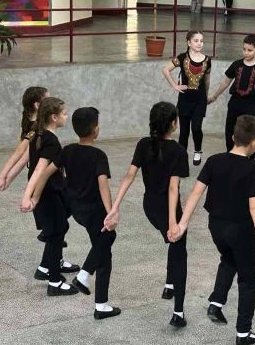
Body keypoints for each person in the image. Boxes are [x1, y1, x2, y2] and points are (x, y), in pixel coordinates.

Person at [172, 115, 255, 345]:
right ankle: (243, 332)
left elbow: (196, 193)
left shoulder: (214, 161)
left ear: (233, 137)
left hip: (216, 226)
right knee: (248, 279)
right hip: (240, 230)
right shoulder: (252, 169)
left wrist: (183, 223)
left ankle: (216, 303)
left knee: (228, 259)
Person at [28, 107, 122, 318]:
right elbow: (103, 185)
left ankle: (86, 279)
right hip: (94, 211)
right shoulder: (98, 155)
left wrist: (35, 197)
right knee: (104, 253)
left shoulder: (67, 150)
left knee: (106, 240)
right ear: (95, 130)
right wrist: (111, 212)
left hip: (76, 209)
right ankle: (98, 300)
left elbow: (44, 174)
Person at [104, 102, 189, 327]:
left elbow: (129, 176)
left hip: (149, 206)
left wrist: (115, 206)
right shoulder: (178, 151)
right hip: (168, 208)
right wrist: (173, 221)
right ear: (173, 124)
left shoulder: (144, 144)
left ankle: (169, 285)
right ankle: (178, 313)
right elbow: (173, 188)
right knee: (179, 250)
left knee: (173, 244)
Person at [19, 97, 80, 297]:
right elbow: (40, 172)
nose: (67, 117)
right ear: (54, 117)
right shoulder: (51, 141)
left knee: (61, 224)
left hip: (54, 189)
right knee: (57, 231)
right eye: (64, 114)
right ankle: (54, 282)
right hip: (47, 192)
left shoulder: (40, 134)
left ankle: (47, 266)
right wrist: (31, 197)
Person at [208, 35, 255, 155]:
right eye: (244, 49)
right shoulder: (236, 64)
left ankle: (250, 156)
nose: (246, 52)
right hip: (235, 102)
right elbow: (226, 82)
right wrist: (214, 96)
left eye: (250, 50)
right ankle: (230, 154)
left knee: (248, 131)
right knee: (230, 129)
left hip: (251, 104)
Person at [162, 30, 211, 165]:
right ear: (189, 42)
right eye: (196, 40)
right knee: (184, 131)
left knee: (196, 127)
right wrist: (174, 85)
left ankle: (198, 150)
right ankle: (181, 157)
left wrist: (206, 97)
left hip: (200, 100)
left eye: (201, 41)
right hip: (184, 100)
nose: (199, 43)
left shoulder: (207, 60)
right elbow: (165, 69)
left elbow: (207, 81)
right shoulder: (182, 57)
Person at [0, 86, 47, 192]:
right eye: (47, 100)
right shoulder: (37, 128)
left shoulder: (30, 122)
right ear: (37, 105)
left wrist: (3, 177)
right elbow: (23, 157)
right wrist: (6, 179)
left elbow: (20, 153)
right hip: (41, 176)